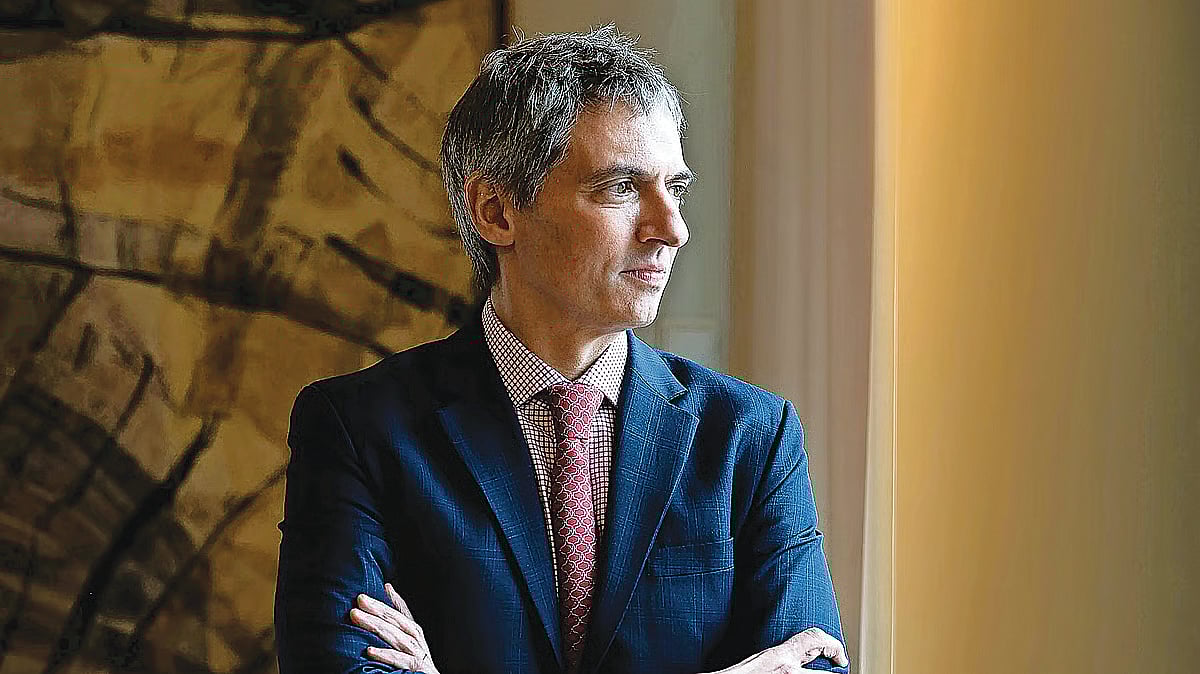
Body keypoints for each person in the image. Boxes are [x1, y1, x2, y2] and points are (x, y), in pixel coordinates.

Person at [274, 26, 849, 674]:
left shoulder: (752, 437)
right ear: (496, 211)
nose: (672, 228)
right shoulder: (359, 429)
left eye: (676, 188)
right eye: (621, 188)